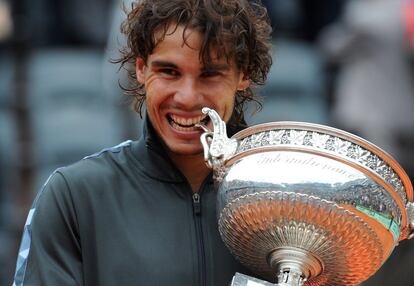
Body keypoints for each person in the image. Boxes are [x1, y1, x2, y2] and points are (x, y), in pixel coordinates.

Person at [12, 0, 272, 285]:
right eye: (169, 72)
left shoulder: (284, 198)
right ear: (140, 69)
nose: (186, 97)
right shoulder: (74, 197)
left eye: (209, 74)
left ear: (243, 75)